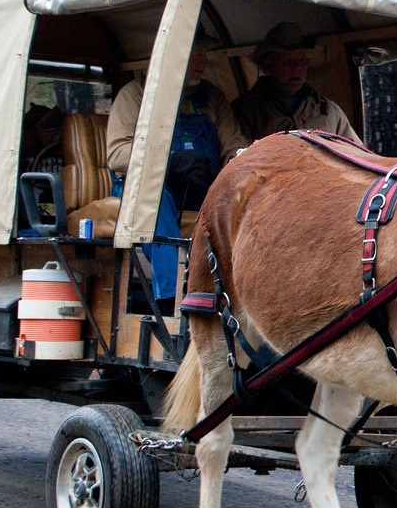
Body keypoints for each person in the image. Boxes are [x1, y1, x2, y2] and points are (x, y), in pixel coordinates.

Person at [104, 45, 247, 315]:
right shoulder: (135, 95)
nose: (203, 58)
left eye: (203, 52)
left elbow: (233, 147)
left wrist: (232, 170)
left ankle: (243, 292)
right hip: (144, 187)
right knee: (156, 199)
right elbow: (117, 154)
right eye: (194, 51)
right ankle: (174, 297)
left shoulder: (212, 97)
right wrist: (170, 161)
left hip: (198, 183)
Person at [231, 21, 359, 143]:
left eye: (302, 61)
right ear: (268, 65)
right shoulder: (246, 111)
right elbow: (239, 159)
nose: (297, 68)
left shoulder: (329, 110)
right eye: (288, 61)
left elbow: (357, 154)